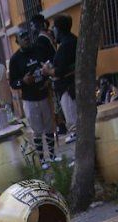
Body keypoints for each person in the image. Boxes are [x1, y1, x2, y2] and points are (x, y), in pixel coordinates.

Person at [9, 24, 58, 168]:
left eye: (26, 36)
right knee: (36, 131)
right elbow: (13, 83)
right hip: (30, 99)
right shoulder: (15, 59)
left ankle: (53, 156)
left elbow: (51, 64)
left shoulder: (39, 50)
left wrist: (48, 78)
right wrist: (23, 81)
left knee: (49, 127)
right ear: (17, 41)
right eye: (22, 37)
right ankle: (42, 160)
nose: (25, 39)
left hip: (44, 94)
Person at [47, 14, 78, 143]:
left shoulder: (66, 45)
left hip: (68, 89)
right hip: (70, 87)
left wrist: (48, 71)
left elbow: (60, 70)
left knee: (74, 123)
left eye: (54, 27)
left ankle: (82, 157)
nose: (52, 30)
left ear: (59, 29)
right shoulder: (73, 40)